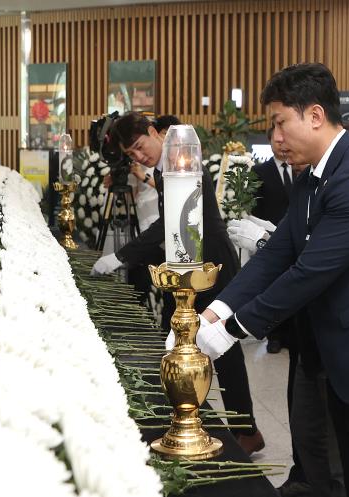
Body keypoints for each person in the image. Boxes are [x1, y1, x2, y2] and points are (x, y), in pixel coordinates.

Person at [187, 63, 349, 497]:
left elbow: (310, 272)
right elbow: (277, 256)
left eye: (280, 122)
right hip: (340, 358)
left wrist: (232, 331)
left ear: (315, 116)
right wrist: (211, 312)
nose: (275, 137)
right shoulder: (312, 176)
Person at [90, 112, 265, 454]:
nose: (139, 157)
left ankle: (245, 429)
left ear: (155, 132)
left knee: (222, 347)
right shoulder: (161, 165)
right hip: (188, 262)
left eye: (140, 147)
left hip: (211, 263)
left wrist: (121, 256)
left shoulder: (180, 156)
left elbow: (172, 220)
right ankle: (188, 413)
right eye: (132, 155)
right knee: (183, 340)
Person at [250, 126, 295, 354]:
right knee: (273, 288)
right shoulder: (259, 171)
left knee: (293, 287)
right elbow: (255, 208)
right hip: (269, 237)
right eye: (275, 140)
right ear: (270, 142)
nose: (280, 143)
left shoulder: (300, 168)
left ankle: (291, 335)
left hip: (295, 238)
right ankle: (274, 336)